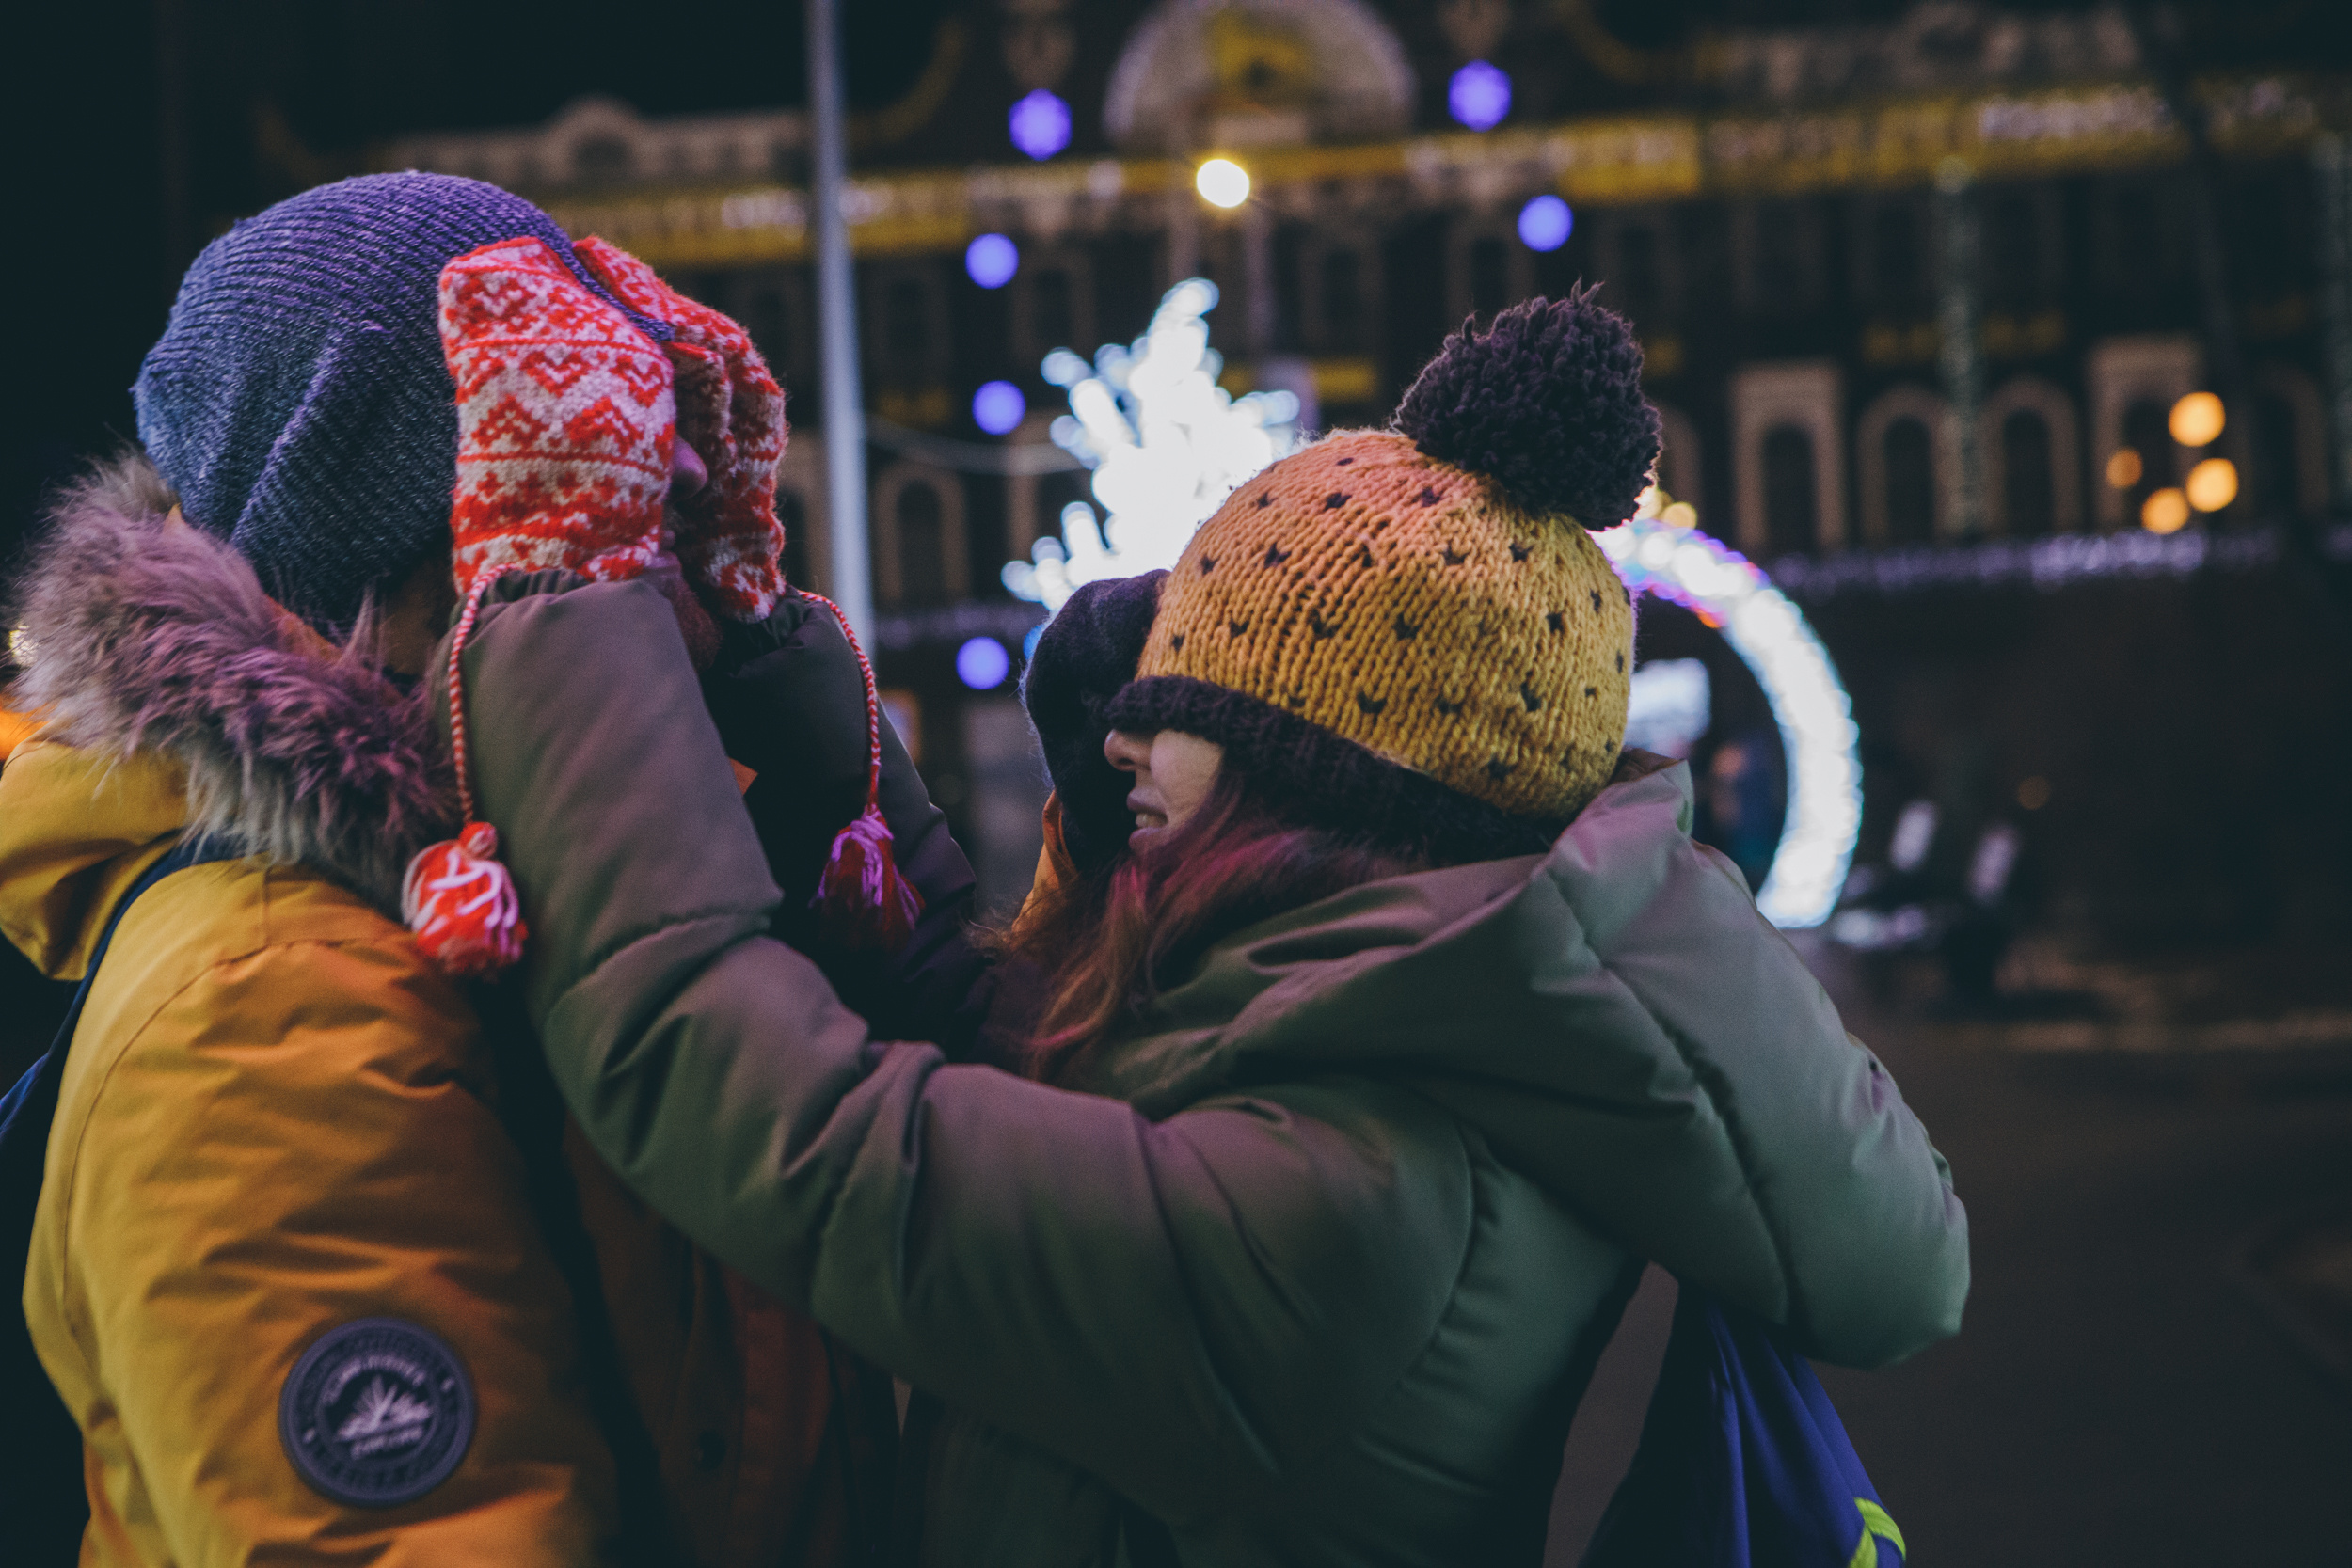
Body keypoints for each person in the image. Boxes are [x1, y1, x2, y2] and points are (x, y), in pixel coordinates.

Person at [441, 291, 1973, 1563]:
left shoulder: (1351, 1205)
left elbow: (804, 1135)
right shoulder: (1411, 1036)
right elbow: (1002, 1054)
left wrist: (564, 595)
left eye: (1178, 715)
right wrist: (769, 659)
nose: (1114, 745)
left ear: (1318, 780)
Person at [0, 173, 912, 1565]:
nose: (670, 606)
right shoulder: (270, 1008)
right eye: (586, 539)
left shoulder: (512, 890)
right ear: (403, 572)